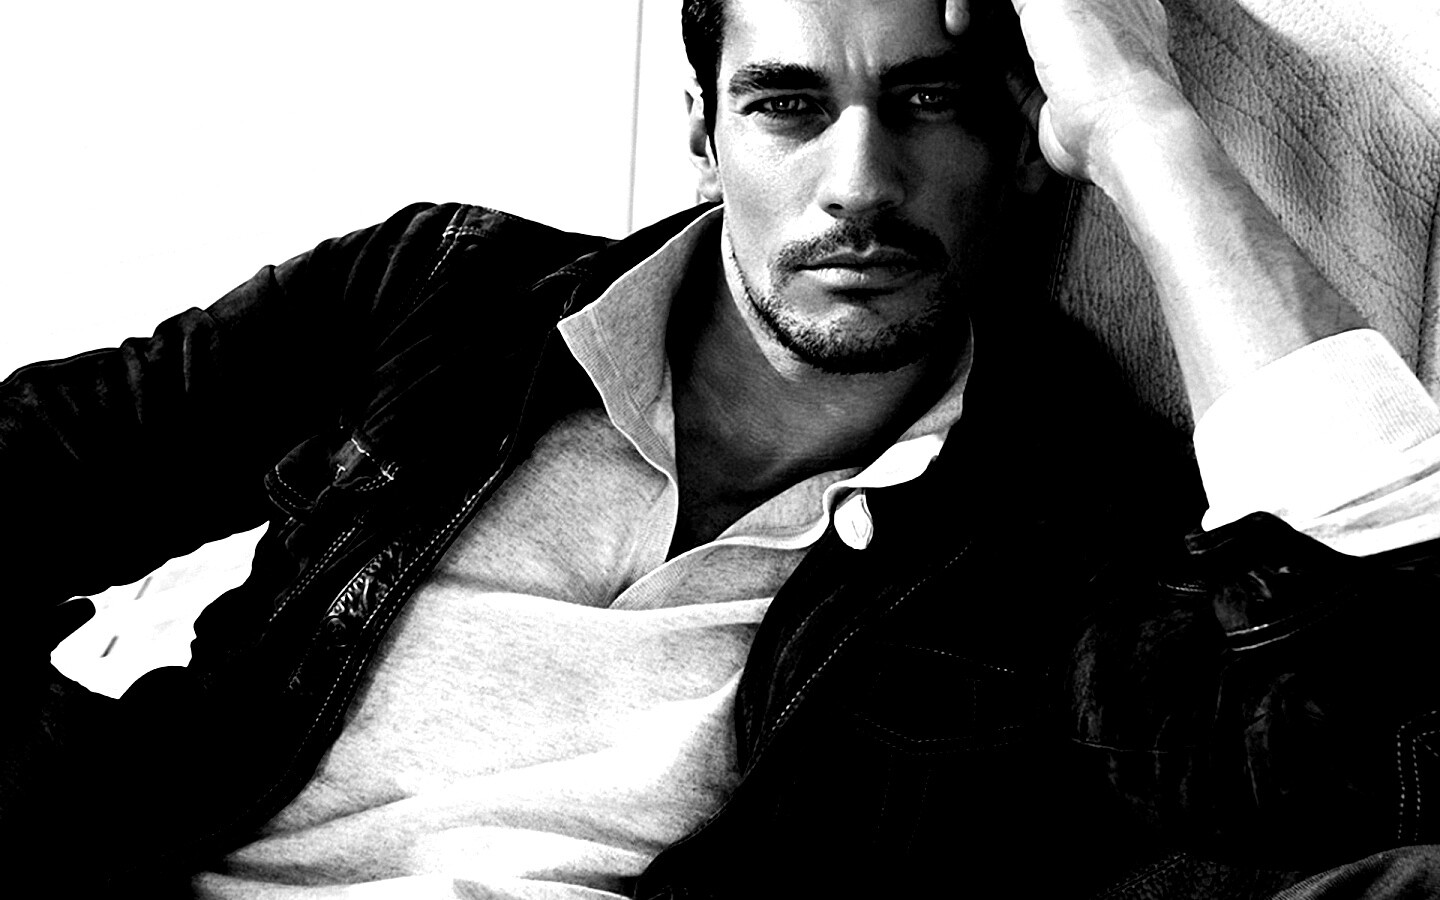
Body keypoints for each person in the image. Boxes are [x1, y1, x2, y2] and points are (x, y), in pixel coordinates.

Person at [2, 0, 1438, 897]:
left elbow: (1377, 743)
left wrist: (1143, 128)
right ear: (703, 127)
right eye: (788, 104)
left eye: (929, 103)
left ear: (1020, 144)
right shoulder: (440, 295)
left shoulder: (1073, 510)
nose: (858, 183)